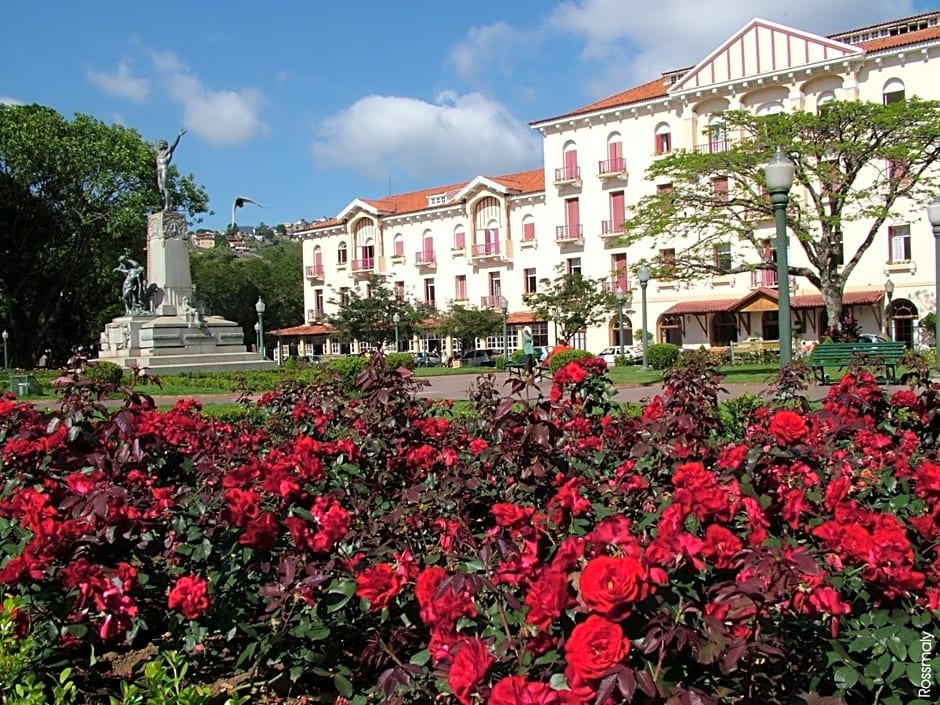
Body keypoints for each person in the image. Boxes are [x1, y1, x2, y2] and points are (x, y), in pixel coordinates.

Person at [156, 129, 186, 211]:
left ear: (164, 145)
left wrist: (179, 136)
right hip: (159, 172)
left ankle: (167, 206)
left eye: (161, 143)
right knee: (161, 189)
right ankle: (163, 205)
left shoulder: (167, 152)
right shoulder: (158, 155)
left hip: (164, 169)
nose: (160, 145)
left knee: (165, 188)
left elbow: (173, 145)